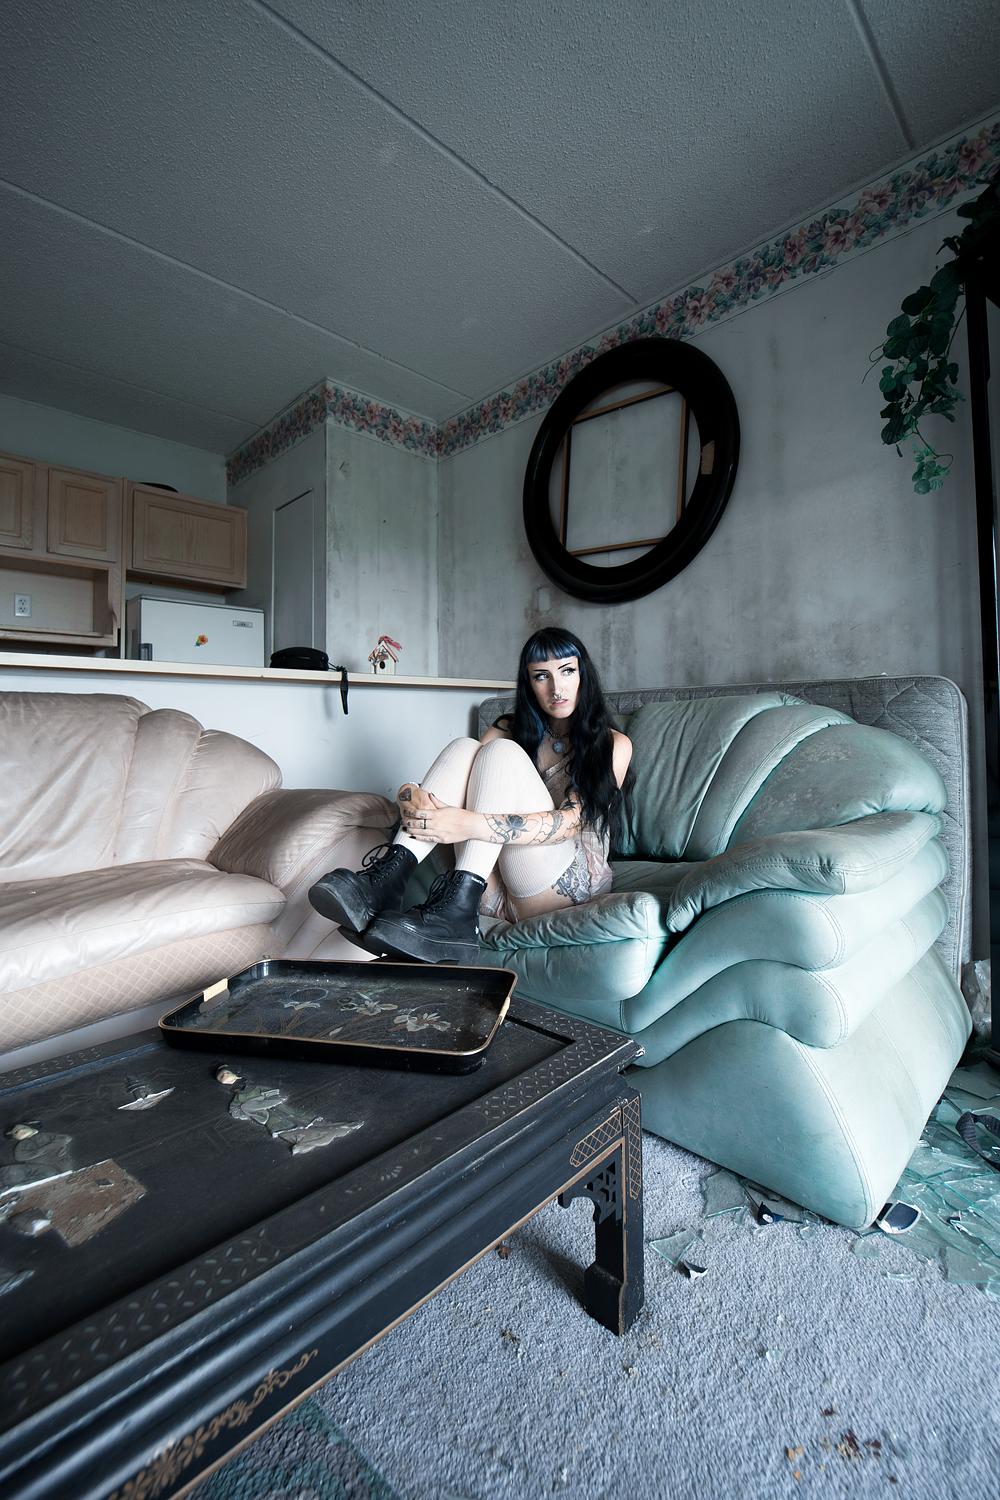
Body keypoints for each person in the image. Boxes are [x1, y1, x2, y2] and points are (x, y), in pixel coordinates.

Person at [308, 626, 633, 964]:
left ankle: (453, 908)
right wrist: (408, 794)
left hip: (559, 887)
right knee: (465, 747)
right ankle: (390, 878)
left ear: (583, 675)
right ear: (529, 684)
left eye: (567, 671)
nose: (556, 688)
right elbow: (455, 782)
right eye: (541, 676)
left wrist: (467, 825)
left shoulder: (612, 744)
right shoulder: (510, 727)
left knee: (501, 753)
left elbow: (569, 824)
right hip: (492, 886)